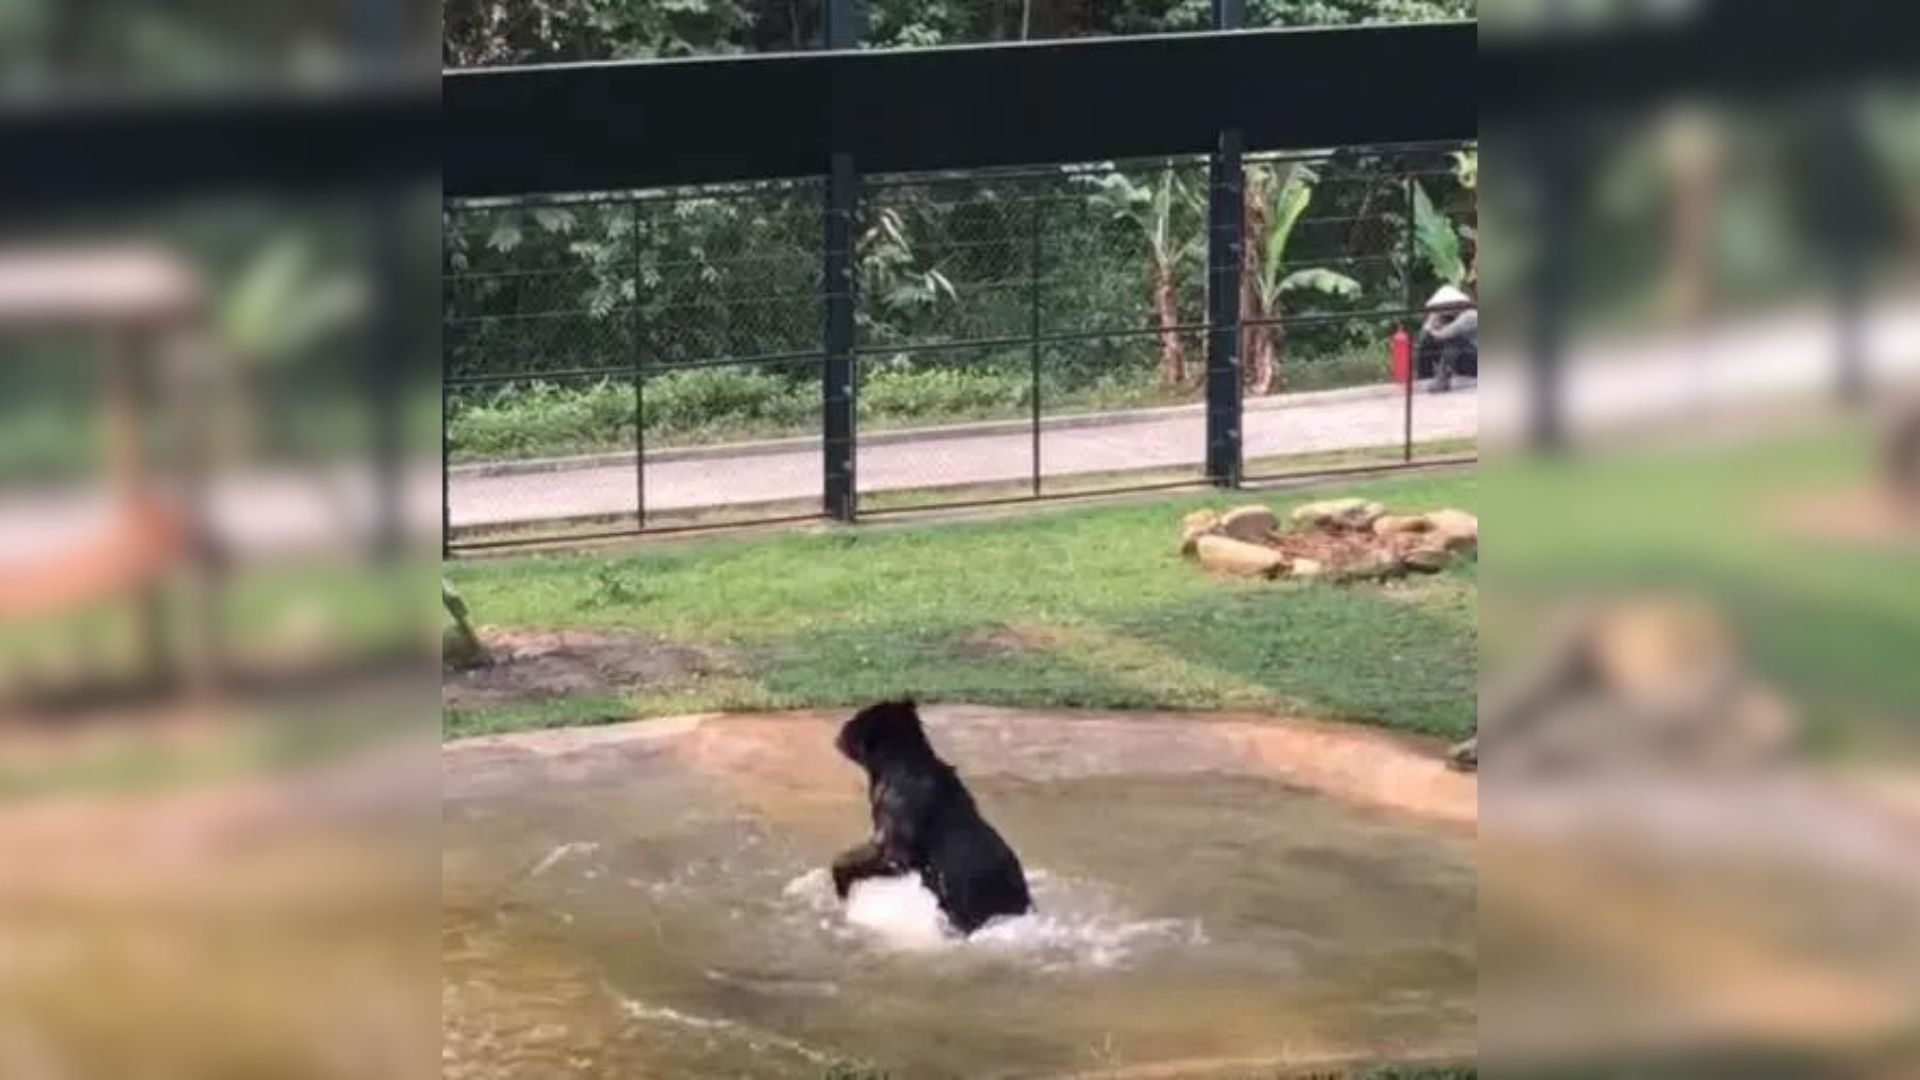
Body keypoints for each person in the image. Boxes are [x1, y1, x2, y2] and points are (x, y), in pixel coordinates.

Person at [1417, 284, 1477, 393]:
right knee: (1427, 342)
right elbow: (1425, 336)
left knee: (1454, 342)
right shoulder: (1450, 318)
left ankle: (1442, 381)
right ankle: (1424, 378)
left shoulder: (1470, 316)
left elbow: (1443, 335)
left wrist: (1430, 322)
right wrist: (1433, 325)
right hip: (1467, 360)